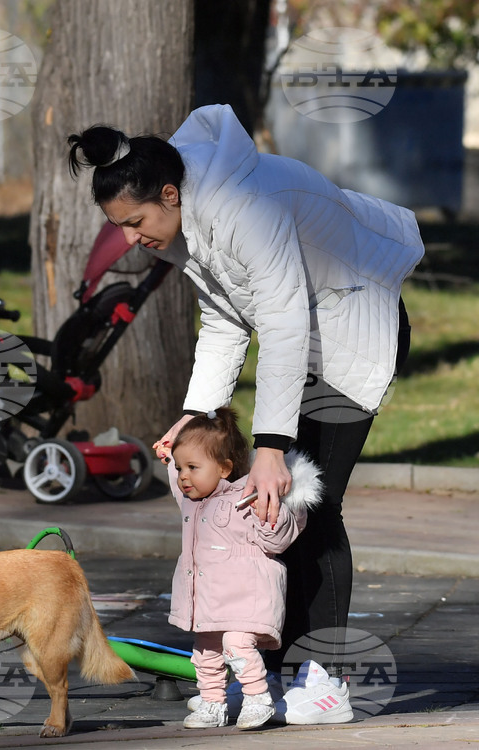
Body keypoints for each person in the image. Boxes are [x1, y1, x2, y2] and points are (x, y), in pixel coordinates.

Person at [68, 104, 421, 719]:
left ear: (171, 194)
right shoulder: (182, 223)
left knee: (309, 501)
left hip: (351, 329)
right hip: (305, 336)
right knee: (266, 511)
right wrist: (196, 414)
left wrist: (270, 449)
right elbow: (225, 317)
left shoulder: (245, 205)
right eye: (118, 225)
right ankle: (270, 669)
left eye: (135, 221)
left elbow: (282, 320)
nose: (130, 239)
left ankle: (328, 680)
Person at [168, 408, 323, 729]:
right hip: (207, 602)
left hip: (246, 599)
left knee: (237, 646)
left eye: (192, 468)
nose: (183, 476)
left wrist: (271, 509)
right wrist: (171, 452)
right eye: (180, 467)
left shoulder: (245, 495)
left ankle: (257, 698)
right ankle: (212, 703)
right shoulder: (194, 501)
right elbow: (181, 471)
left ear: (225, 468)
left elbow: (277, 540)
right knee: (205, 654)